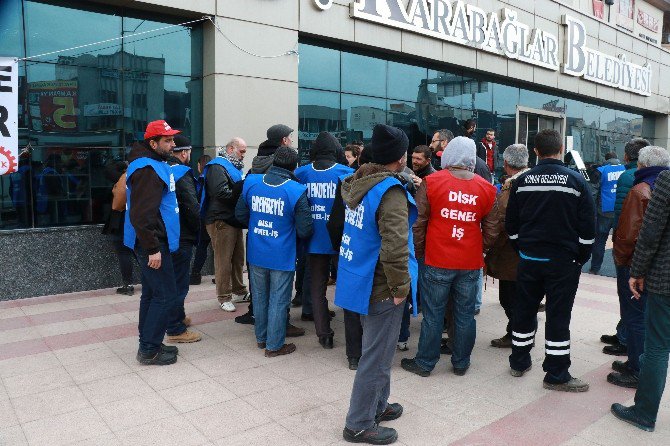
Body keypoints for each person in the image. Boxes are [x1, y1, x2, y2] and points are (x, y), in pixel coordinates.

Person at [337, 124, 416, 445]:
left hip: (358, 276)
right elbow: (395, 245)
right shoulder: (390, 191)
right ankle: (358, 423)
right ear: (401, 156)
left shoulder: (360, 182)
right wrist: (400, 288)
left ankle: (377, 406)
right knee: (378, 357)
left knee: (377, 351)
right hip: (382, 285)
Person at [506, 129, 595, 391]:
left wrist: (521, 249)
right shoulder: (577, 181)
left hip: (529, 259)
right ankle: (556, 374)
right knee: (558, 315)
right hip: (563, 262)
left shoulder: (521, 181)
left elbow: (511, 224)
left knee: (523, 310)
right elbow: (588, 228)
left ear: (535, 151)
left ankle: (519, 362)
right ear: (560, 150)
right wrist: (580, 257)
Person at [401, 137, 496, 378]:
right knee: (465, 315)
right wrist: (479, 248)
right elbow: (493, 227)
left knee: (433, 314)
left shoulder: (432, 182)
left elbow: (418, 223)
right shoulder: (486, 188)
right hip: (470, 262)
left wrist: (421, 253)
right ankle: (461, 362)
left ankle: (425, 363)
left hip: (437, 259)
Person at [235, 147, 313, 357]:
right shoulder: (296, 190)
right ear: (294, 167)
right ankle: (274, 345)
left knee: (259, 297)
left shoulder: (251, 182)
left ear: (273, 162)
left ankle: (261, 339)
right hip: (282, 253)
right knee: (279, 300)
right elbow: (305, 229)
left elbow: (240, 216)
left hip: (256, 251)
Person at [611, 169, 670, 432]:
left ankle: (644, 413)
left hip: (665, 278)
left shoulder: (667, 180)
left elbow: (650, 230)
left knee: (657, 346)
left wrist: (637, 270)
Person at [124, 120, 182, 366]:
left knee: (151, 294)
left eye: (172, 139)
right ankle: (149, 349)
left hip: (152, 241)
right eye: (167, 140)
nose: (173, 144)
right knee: (164, 296)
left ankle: (150, 342)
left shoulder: (152, 164)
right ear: (153, 143)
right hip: (153, 243)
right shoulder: (147, 169)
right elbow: (141, 215)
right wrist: (153, 249)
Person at [295, 132, 354, 348]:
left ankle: (324, 335)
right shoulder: (347, 173)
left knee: (316, 287)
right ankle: (353, 332)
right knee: (347, 285)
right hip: (341, 239)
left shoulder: (301, 173)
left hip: (313, 239)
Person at [600, 138, 650, 354]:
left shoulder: (628, 177)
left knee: (628, 295)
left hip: (629, 248)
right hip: (647, 248)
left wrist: (619, 250)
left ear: (628, 157)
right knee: (636, 299)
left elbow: (623, 218)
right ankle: (623, 332)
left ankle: (625, 340)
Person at [482, 144, 530, 348]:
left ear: (507, 163)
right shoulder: (533, 181)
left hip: (511, 253)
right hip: (530, 251)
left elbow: (501, 222)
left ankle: (518, 336)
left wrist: (487, 249)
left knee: (511, 299)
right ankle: (522, 334)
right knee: (522, 298)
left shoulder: (512, 187)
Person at [201, 137, 249, 312]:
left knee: (237, 259)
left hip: (232, 218)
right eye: (241, 151)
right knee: (223, 260)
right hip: (220, 220)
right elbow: (221, 193)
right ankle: (224, 296)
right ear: (230, 149)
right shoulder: (217, 166)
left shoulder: (232, 167)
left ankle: (239, 290)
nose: (244, 155)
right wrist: (242, 188)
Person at [165, 135, 202, 343]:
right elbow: (192, 207)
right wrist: (200, 228)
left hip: (166, 234)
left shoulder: (161, 169)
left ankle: (177, 317)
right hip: (181, 235)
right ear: (184, 153)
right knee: (179, 283)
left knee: (171, 281)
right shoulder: (181, 173)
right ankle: (175, 329)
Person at [101, 160, 136, 296]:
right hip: (136, 218)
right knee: (139, 252)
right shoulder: (140, 176)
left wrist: (123, 164)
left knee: (124, 252)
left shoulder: (122, 177)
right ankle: (152, 281)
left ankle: (128, 285)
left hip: (120, 220)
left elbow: (108, 169)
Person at [589, 152, 625, 275]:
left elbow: (593, 192)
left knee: (600, 240)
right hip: (621, 211)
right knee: (619, 242)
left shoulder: (601, 170)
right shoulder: (625, 169)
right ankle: (619, 270)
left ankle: (595, 268)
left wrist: (591, 211)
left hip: (603, 211)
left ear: (606, 160)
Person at [190, 154, 212, 285]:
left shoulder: (201, 180)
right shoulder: (215, 177)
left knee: (202, 246)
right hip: (215, 217)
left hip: (204, 217)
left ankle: (195, 274)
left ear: (200, 165)